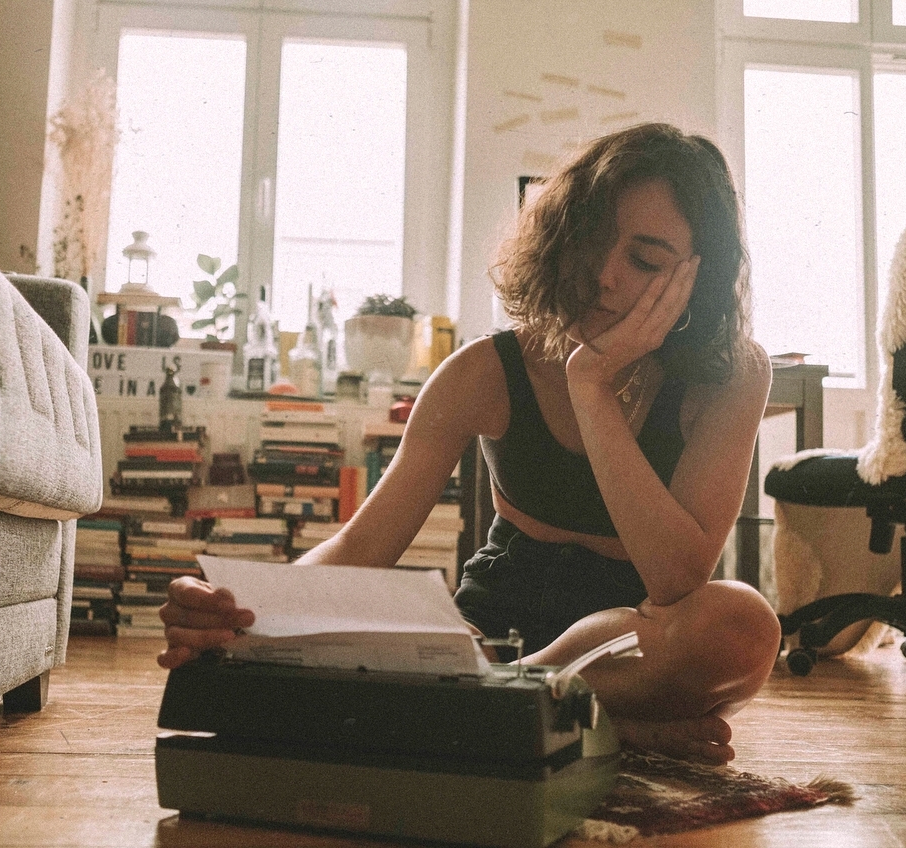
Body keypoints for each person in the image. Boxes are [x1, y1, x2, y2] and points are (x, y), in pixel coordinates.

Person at [158, 122, 781, 765]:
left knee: (742, 628)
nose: (604, 275)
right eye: (592, 240)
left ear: (699, 280)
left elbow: (677, 578)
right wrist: (243, 610)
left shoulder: (733, 375)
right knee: (385, 638)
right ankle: (572, 719)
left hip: (634, 651)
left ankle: (506, 706)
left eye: (645, 261)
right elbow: (361, 547)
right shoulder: (483, 370)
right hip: (492, 637)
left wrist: (591, 386)